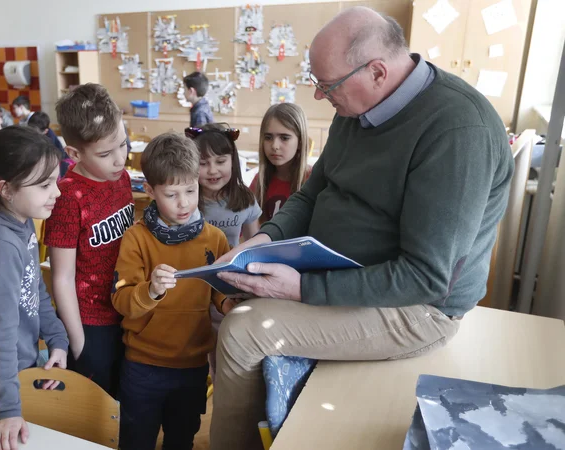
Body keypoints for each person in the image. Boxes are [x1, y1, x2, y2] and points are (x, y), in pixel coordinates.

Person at [208, 7, 514, 450]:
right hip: (339, 271)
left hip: (418, 308)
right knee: (241, 288)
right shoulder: (356, 107)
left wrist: (301, 289)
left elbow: (427, 279)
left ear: (376, 71)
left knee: (242, 330)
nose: (318, 96)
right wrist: (262, 241)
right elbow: (312, 195)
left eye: (327, 85)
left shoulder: (456, 130)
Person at [112, 132, 230, 450]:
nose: (184, 203)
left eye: (190, 191)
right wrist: (149, 291)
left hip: (192, 367)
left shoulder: (215, 238)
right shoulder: (136, 239)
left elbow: (220, 291)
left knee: (181, 440)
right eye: (172, 194)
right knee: (136, 441)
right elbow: (122, 300)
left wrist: (232, 300)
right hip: (143, 366)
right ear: (149, 190)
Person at [0, 126, 69, 450]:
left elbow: (35, 290)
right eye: (45, 184)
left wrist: (57, 340)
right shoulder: (0, 246)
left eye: (55, 180)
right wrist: (7, 410)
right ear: (6, 189)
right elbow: (0, 331)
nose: (57, 193)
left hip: (19, 368)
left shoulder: (19, 221)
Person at [45, 83, 133, 396]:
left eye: (123, 145)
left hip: (126, 312)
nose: (120, 159)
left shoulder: (121, 178)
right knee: (95, 411)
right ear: (74, 153)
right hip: (89, 324)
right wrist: (79, 342)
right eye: (106, 153)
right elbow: (62, 277)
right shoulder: (67, 197)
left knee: (124, 405)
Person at [186, 123, 261, 377]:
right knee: (194, 356)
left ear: (233, 161)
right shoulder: (186, 201)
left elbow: (255, 244)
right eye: (203, 163)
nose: (212, 170)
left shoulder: (245, 198)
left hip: (229, 289)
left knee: (224, 359)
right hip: (193, 290)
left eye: (220, 161)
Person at [249, 103, 310, 223]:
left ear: (300, 142)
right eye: (268, 137)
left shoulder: (313, 180)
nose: (274, 146)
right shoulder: (259, 181)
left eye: (284, 138)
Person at [27, 111, 71, 177]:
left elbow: (48, 156)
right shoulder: (34, 134)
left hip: (59, 159)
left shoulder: (49, 139)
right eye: (29, 130)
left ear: (45, 131)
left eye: (35, 133)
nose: (31, 134)